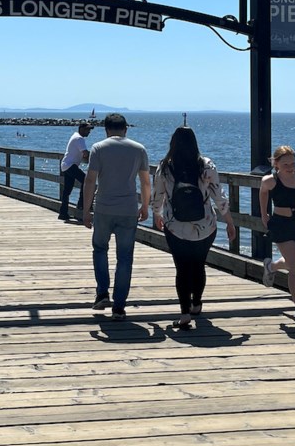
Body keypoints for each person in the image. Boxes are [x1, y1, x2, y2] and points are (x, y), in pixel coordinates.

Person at [151, 126, 236, 329]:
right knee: (198, 264)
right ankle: (196, 303)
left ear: (173, 143)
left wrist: (157, 215)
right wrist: (230, 222)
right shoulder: (206, 165)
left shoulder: (165, 166)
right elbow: (219, 197)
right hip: (205, 226)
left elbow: (157, 196)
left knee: (182, 269)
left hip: (175, 226)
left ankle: (184, 314)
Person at [82, 113, 150, 321]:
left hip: (103, 208)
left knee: (100, 249)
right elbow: (146, 182)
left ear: (106, 129)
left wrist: (86, 210)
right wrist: (145, 205)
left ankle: (102, 293)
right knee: (125, 258)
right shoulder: (139, 149)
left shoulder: (99, 148)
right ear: (126, 129)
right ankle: (119, 306)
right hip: (129, 209)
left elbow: (90, 181)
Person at [259, 145, 295, 327]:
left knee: (291, 262)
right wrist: (264, 213)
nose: (290, 167)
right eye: (286, 164)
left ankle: (271, 266)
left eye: (293, 163)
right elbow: (262, 191)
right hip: (281, 225)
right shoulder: (271, 180)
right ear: (276, 164)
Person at [58, 122, 93, 221]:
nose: (89, 132)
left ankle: (63, 213)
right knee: (86, 181)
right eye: (87, 130)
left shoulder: (75, 135)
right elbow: (85, 153)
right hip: (70, 165)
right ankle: (81, 204)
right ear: (81, 129)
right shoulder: (79, 139)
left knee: (67, 191)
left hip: (65, 165)